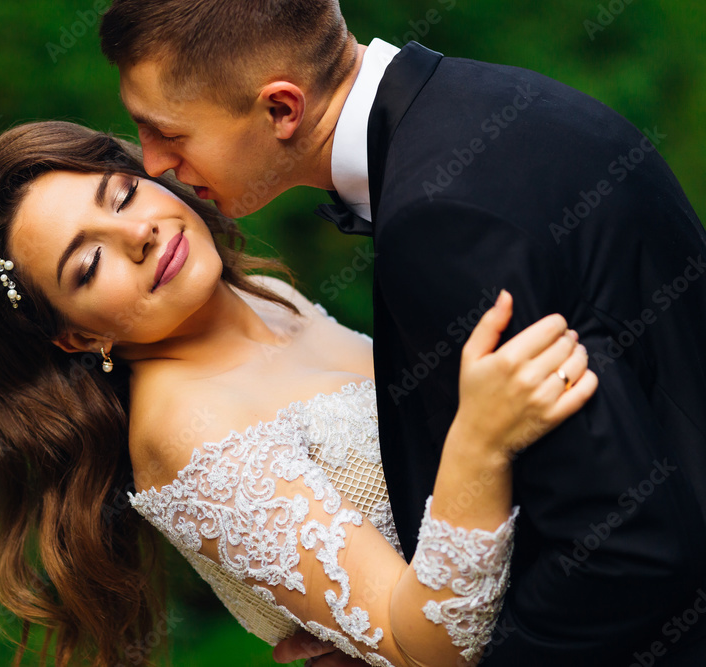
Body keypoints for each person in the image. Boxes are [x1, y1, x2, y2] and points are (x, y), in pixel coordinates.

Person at [98, 1, 706, 664]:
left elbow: (625, 550)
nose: (154, 163)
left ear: (281, 109)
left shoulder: (440, 221)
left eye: (167, 134)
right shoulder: (499, 98)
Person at [0, 120, 596, 667]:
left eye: (120, 196)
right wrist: (479, 443)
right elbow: (431, 644)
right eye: (88, 265)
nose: (137, 234)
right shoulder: (188, 427)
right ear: (75, 336)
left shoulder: (272, 298)